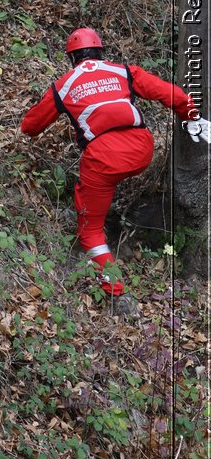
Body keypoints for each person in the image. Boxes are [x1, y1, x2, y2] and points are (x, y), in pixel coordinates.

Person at [20, 28, 205, 298]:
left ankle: (116, 293)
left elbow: (30, 126)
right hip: (141, 149)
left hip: (103, 159)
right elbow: (171, 94)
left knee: (91, 231)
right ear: (100, 51)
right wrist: (192, 116)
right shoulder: (124, 72)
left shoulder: (64, 85)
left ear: (72, 58)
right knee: (109, 178)